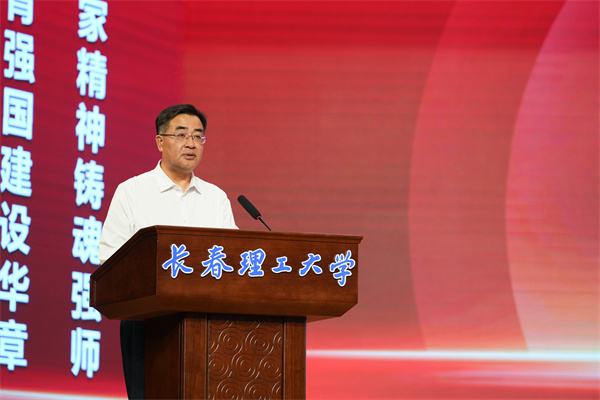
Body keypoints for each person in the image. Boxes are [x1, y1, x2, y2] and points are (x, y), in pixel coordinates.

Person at [98, 104, 238, 399]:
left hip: (208, 324)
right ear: (160, 142)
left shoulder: (216, 198)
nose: (191, 143)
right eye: (181, 135)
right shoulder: (132, 192)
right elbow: (110, 260)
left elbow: (233, 260)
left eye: (198, 136)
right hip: (147, 322)